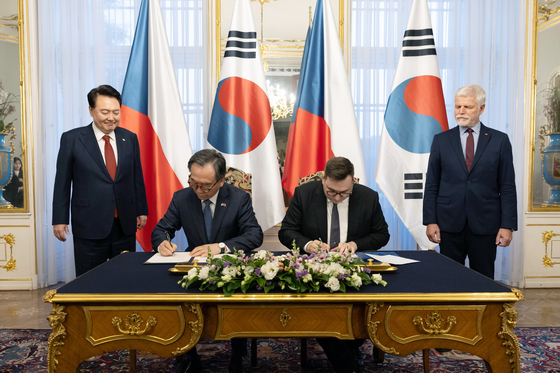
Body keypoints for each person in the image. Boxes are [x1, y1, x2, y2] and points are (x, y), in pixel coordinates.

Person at [151, 149, 263, 373]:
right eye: (193, 182)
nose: (198, 190)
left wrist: (220, 247)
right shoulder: (182, 197)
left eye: (205, 185)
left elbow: (254, 235)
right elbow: (161, 229)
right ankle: (187, 355)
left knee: (238, 299)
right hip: (195, 266)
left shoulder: (238, 198)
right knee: (175, 299)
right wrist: (163, 242)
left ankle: (237, 355)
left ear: (221, 181)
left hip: (230, 265)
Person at [278, 156, 390, 373]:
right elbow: (286, 232)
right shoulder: (304, 194)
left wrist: (355, 244)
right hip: (313, 271)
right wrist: (308, 244)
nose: (338, 197)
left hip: (353, 270)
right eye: (332, 192)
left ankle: (351, 347)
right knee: (322, 314)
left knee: (363, 314)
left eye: (344, 193)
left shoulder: (368, 197)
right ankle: (347, 364)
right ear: (323, 180)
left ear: (353, 184)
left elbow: (382, 235)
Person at [52, 85, 148, 277]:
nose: (111, 117)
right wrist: (60, 220)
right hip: (89, 224)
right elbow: (62, 183)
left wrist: (141, 210)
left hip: (124, 223)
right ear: (91, 111)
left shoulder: (129, 138)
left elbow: (137, 177)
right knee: (89, 280)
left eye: (115, 112)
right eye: (105, 112)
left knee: (125, 277)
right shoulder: (72, 139)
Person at [423, 84, 517, 279]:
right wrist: (430, 220)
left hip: (486, 223)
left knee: (482, 280)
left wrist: (507, 225)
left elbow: (507, 186)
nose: (461, 111)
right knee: (448, 278)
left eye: (468, 107)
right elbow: (432, 183)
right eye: (458, 106)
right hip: (448, 223)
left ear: (481, 109)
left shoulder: (499, 140)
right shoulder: (441, 140)